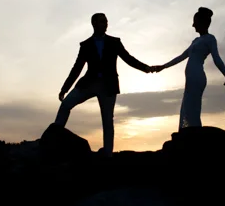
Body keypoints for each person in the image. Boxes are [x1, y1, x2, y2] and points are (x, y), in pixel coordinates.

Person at [55, 13, 152, 154]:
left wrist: (146, 68)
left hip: (108, 85)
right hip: (89, 83)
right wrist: (65, 89)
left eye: (106, 21)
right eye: (102, 21)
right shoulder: (86, 45)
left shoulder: (114, 42)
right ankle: (54, 137)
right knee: (65, 104)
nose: (105, 24)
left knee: (107, 120)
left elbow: (128, 58)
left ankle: (108, 154)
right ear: (94, 23)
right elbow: (77, 68)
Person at [151, 7, 225, 130]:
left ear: (202, 22)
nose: (193, 25)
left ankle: (194, 134)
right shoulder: (196, 40)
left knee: (192, 108)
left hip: (197, 77)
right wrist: (163, 66)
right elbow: (181, 56)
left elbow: (217, 59)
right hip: (191, 79)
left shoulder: (210, 39)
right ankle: (189, 133)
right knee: (187, 107)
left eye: (195, 22)